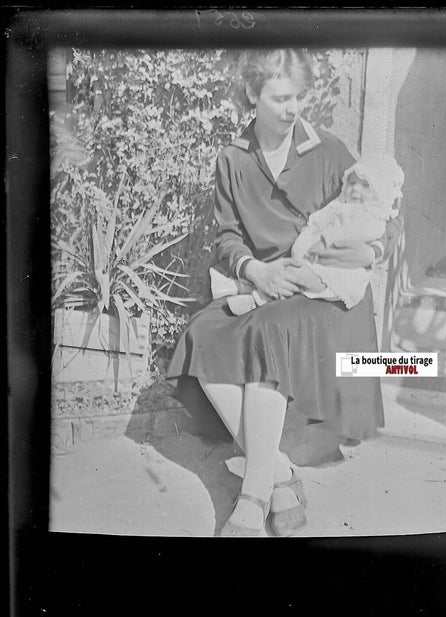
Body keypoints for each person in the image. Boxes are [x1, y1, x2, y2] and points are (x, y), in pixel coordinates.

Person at [166, 49, 403, 536]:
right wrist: (255, 270)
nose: (293, 109)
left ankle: (253, 493)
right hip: (268, 285)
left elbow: (380, 218)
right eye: (280, 98)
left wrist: (354, 257)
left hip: (324, 299)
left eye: (299, 97)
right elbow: (228, 235)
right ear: (253, 94)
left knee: (268, 330)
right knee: (204, 331)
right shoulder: (232, 159)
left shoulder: (329, 150)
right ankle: (278, 471)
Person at [218, 154, 404, 314]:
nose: (355, 189)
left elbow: (380, 226)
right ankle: (246, 288)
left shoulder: (369, 216)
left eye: (365, 185)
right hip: (305, 260)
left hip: (335, 274)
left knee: (296, 277)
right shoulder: (340, 206)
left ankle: (255, 298)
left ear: (379, 192)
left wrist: (373, 251)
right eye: (352, 183)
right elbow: (317, 222)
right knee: (287, 274)